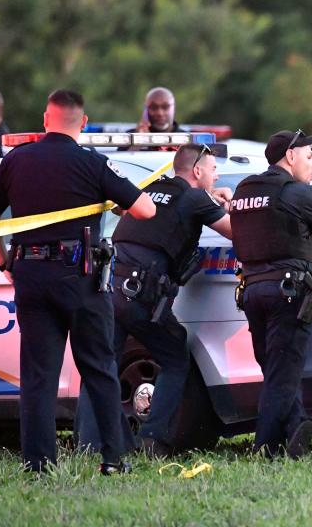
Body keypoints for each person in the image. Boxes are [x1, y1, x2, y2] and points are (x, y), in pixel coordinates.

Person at [0, 89, 156, 474]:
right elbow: (145, 209)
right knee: (98, 368)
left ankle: (38, 463)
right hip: (81, 278)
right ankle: (112, 459)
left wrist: (4, 261)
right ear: (84, 123)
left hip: (31, 276)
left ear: (45, 119)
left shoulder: (16, 160)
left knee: (38, 374)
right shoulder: (92, 163)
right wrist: (113, 200)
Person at [74, 142, 233, 458]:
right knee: (175, 355)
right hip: (139, 296)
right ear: (197, 170)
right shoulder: (194, 197)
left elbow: (126, 208)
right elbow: (235, 232)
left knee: (103, 363)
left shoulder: (151, 188)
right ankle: (153, 437)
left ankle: (90, 446)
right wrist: (228, 205)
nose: (216, 177)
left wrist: (210, 199)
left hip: (107, 288)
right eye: (214, 170)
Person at [230, 130, 312, 458]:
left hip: (252, 291)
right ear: (290, 156)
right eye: (309, 156)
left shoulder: (244, 189)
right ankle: (266, 446)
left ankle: (297, 423)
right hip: (288, 291)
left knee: (274, 367)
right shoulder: (296, 191)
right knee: (283, 371)